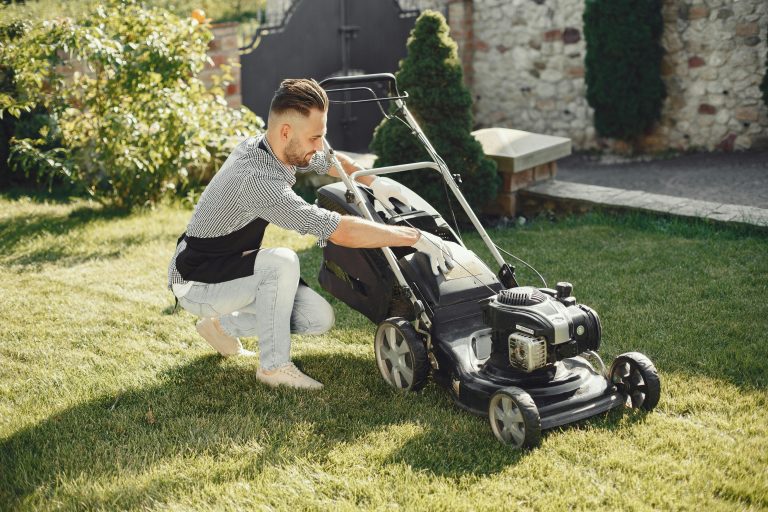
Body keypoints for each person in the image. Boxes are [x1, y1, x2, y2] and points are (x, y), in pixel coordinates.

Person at [167, 78, 454, 390]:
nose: (319, 146)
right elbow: (338, 229)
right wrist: (414, 237)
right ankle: (274, 367)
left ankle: (221, 327)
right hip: (198, 280)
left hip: (233, 266)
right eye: (315, 137)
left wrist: (371, 181)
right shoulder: (257, 179)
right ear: (286, 132)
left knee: (318, 318)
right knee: (281, 262)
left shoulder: (273, 147)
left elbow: (329, 160)